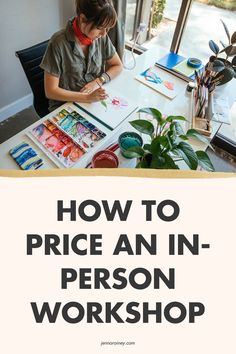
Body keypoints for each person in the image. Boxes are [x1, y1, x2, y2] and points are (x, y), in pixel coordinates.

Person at [40, 0, 123, 112]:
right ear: (83, 19)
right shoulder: (58, 43)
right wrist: (87, 97)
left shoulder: (100, 38)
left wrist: (98, 81)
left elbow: (117, 65)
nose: (104, 34)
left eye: (107, 28)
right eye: (99, 28)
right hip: (66, 106)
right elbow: (51, 91)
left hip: (94, 101)